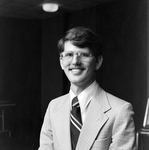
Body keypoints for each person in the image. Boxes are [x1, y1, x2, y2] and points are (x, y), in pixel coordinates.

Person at [38, 27, 137, 150]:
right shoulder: (54, 107)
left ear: (98, 62)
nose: (75, 62)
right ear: (61, 62)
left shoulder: (120, 111)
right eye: (69, 55)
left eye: (84, 55)